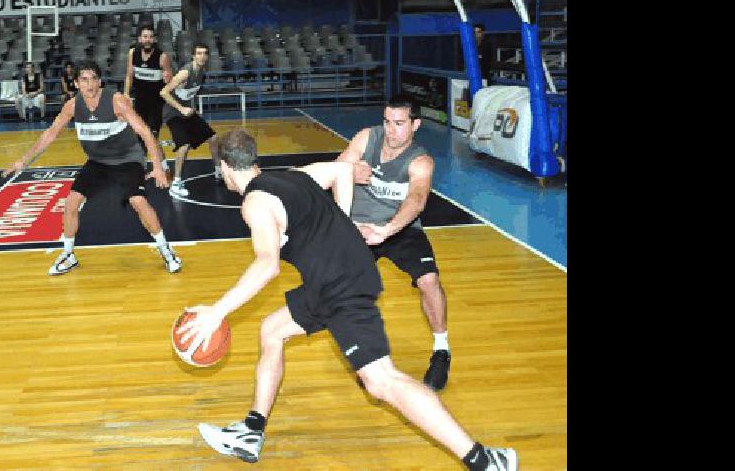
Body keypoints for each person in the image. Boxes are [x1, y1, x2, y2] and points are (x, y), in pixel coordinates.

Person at [179, 129, 517, 470]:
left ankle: (484, 460)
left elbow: (267, 265)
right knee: (272, 331)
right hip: (334, 278)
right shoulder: (294, 177)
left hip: (341, 285)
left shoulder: (255, 203)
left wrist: (216, 313)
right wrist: (341, 221)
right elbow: (342, 171)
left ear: (223, 166)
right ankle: (252, 430)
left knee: (382, 381)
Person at [2, 60, 183, 276]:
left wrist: (157, 167)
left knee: (137, 200)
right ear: (76, 84)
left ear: (100, 81)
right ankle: (68, 255)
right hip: (98, 162)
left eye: (94, 79)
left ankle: (166, 250)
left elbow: (145, 132)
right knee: (71, 203)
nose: (90, 85)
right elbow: (50, 134)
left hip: (127, 159)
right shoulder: (72, 106)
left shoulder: (117, 101)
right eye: (84, 80)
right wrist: (24, 161)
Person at [336, 94, 452, 391]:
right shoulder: (366, 138)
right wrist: (348, 172)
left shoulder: (421, 160)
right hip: (360, 226)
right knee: (352, 290)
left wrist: (386, 231)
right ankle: (369, 359)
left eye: (399, 124)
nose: (391, 130)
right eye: (387, 122)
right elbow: (335, 171)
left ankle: (441, 349)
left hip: (400, 228)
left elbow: (417, 200)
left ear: (415, 125)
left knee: (429, 280)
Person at [158, 42, 220, 197]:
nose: (202, 56)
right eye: (199, 53)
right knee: (184, 145)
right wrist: (181, 108)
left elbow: (188, 94)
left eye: (204, 53)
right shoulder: (185, 72)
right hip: (173, 114)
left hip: (187, 111)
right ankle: (176, 183)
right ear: (193, 56)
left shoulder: (201, 71)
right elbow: (164, 92)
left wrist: (192, 109)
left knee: (213, 138)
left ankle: (219, 170)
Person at [123, 25, 172, 171]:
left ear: (154, 39)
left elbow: (170, 82)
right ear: (140, 38)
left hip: (156, 104)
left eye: (150, 37)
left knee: (151, 137)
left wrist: (168, 79)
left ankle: (165, 168)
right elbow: (129, 75)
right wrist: (126, 94)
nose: (148, 40)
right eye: (145, 36)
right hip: (139, 102)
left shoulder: (162, 57)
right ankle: (141, 166)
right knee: (139, 137)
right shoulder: (133, 53)